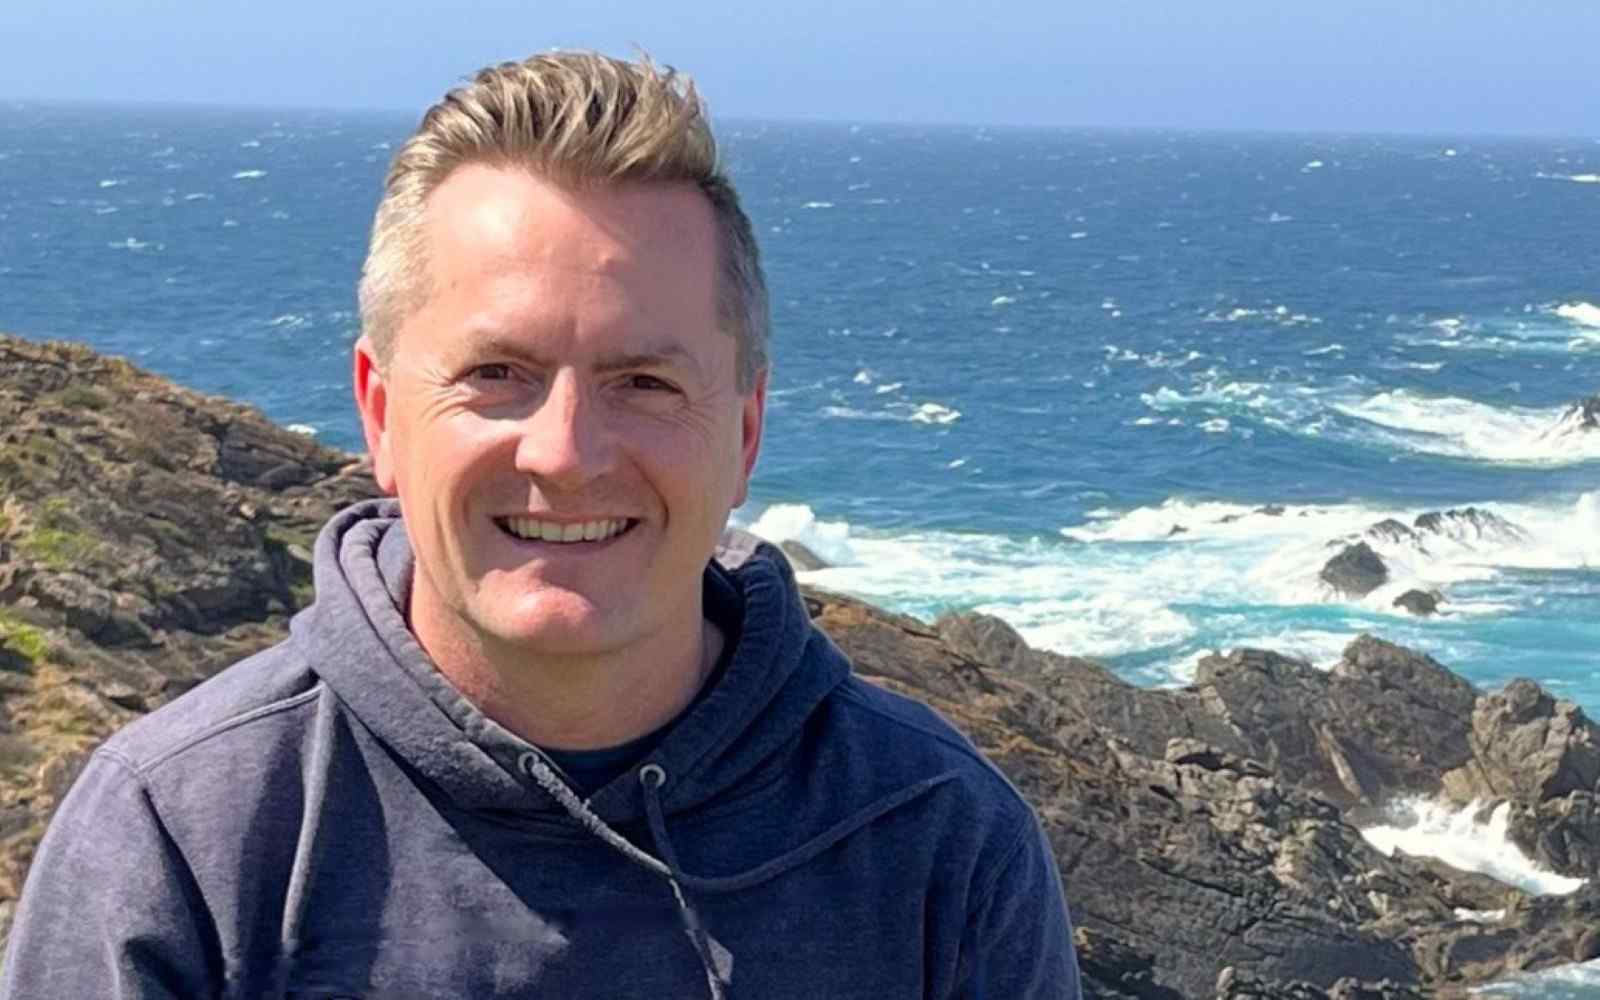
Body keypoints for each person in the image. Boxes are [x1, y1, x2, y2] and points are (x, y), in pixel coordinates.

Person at [0, 52, 1081, 998]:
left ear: (746, 431)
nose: (564, 453)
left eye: (645, 382)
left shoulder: (936, 837)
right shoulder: (181, 836)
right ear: (380, 413)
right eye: (497, 374)